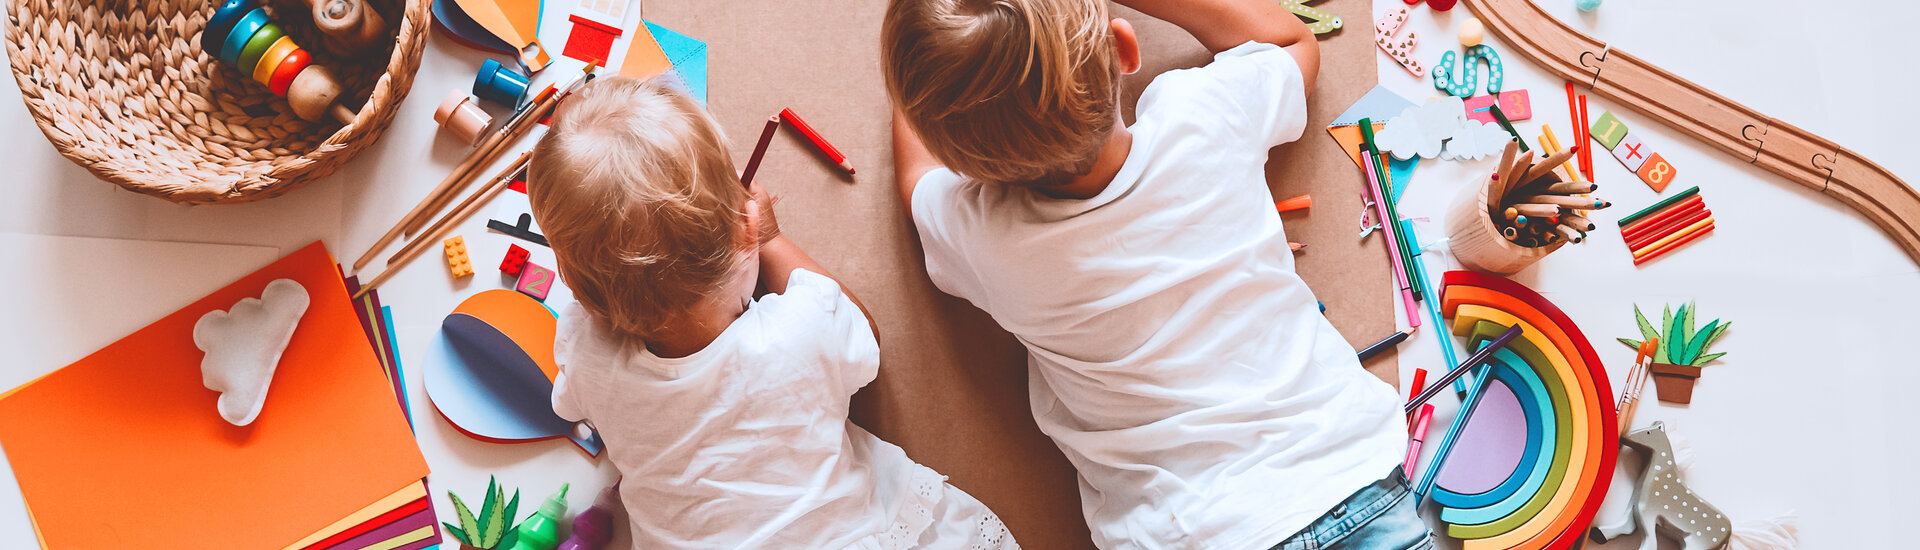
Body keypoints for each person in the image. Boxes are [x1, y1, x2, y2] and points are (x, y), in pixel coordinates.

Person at [883, 0, 1428, 548]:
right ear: (1125, 48)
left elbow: (917, 180)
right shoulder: (1207, 113)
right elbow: (1293, 43)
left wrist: (933, 72)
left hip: (1188, 533)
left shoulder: (979, 236)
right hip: (1349, 481)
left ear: (957, 155)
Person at [529, 76, 1018, 549]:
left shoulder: (586, 353)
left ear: (573, 286)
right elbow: (861, 338)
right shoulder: (799, 331)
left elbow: (570, 405)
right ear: (747, 227)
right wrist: (773, 240)